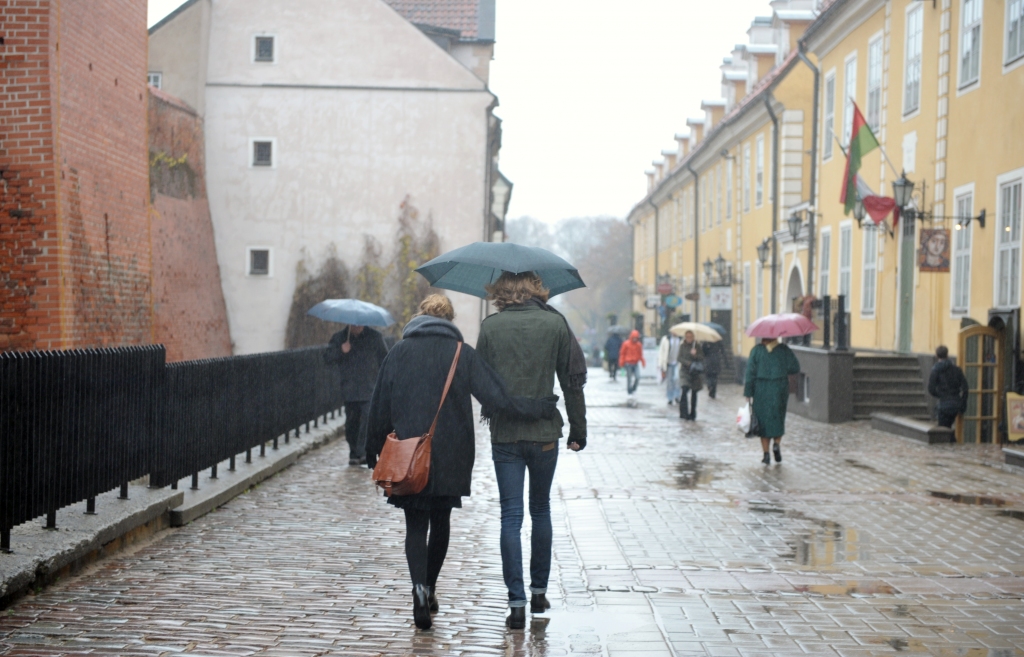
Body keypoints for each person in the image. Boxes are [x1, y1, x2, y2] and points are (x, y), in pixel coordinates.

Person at [365, 294, 557, 631]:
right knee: (440, 522)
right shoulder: (460, 353)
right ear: (450, 320)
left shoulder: (399, 352)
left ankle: (420, 591)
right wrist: (539, 408)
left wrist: (372, 449)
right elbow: (498, 398)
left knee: (415, 526)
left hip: (411, 453)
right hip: (451, 454)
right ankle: (432, 586)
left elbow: (379, 402)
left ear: (419, 316)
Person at [475, 271, 587, 630]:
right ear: (536, 288)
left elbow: (480, 379)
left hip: (506, 434)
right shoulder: (555, 324)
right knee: (540, 509)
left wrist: (500, 405)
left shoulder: (491, 327)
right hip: (543, 432)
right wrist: (578, 430)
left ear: (502, 290)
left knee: (511, 516)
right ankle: (539, 591)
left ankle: (517, 604)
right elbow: (572, 382)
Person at [324, 321, 389, 465]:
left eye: (360, 324)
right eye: (354, 325)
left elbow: (385, 358)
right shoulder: (340, 337)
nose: (357, 327)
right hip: (349, 387)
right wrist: (341, 350)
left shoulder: (375, 337)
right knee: (352, 422)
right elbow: (327, 358)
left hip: (369, 386)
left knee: (366, 421)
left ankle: (363, 452)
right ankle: (354, 452)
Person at [743, 337, 801, 465]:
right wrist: (781, 367)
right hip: (779, 388)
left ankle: (766, 454)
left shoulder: (756, 351)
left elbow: (750, 373)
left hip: (761, 389)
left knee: (763, 422)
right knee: (777, 418)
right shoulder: (783, 350)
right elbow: (795, 367)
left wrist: (748, 392)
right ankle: (776, 444)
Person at [927, 345, 968, 430]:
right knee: (950, 427)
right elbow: (965, 388)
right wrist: (962, 403)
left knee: (943, 430)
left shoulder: (936, 370)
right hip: (956, 403)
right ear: (947, 354)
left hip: (943, 404)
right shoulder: (956, 369)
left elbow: (931, 389)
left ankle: (950, 441)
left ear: (937, 355)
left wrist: (941, 395)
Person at [676, 331, 704, 420]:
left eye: (691, 337)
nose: (689, 339)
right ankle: (683, 413)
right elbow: (679, 358)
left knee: (694, 393)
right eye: (687, 337)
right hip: (685, 371)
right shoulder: (682, 346)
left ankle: (692, 413)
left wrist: (695, 355)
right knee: (684, 389)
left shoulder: (697, 346)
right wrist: (687, 363)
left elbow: (701, 358)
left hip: (694, 372)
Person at [618, 330, 645, 395]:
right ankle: (629, 390)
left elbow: (640, 354)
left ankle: (634, 388)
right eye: (634, 337)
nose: (635, 339)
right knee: (629, 378)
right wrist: (622, 362)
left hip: (635, 363)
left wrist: (643, 361)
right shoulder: (626, 344)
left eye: (636, 338)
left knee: (638, 377)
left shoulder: (639, 345)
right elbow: (622, 353)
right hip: (628, 363)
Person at [658, 333, 682, 405]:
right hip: (668, 363)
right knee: (669, 381)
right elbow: (661, 352)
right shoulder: (666, 339)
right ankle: (670, 397)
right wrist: (661, 364)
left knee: (677, 379)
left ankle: (677, 396)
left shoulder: (681, 340)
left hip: (678, 363)